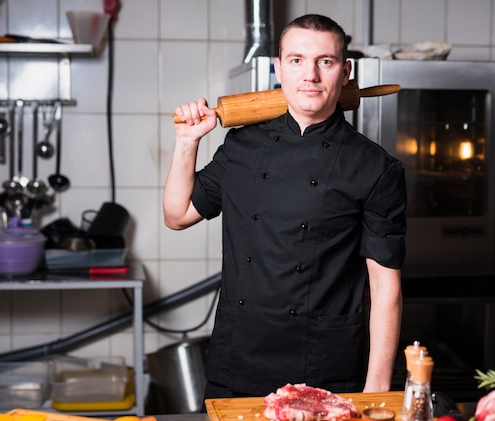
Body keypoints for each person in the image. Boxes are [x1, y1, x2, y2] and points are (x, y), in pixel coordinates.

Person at [163, 14, 406, 398]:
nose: (309, 75)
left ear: (345, 72)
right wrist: (186, 142)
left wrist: (376, 389)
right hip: (237, 358)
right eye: (296, 60)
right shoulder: (241, 147)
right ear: (279, 68)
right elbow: (177, 216)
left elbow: (385, 286)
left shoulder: (375, 168)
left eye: (324, 61)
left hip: (324, 364)